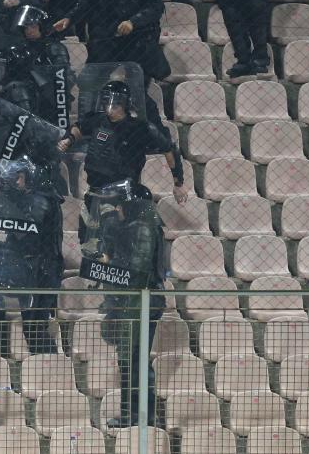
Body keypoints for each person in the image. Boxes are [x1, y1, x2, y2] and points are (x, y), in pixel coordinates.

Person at [58, 80, 188, 245]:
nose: (109, 105)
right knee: (89, 240)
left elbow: (169, 149)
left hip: (125, 193)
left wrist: (178, 183)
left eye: (113, 101)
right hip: (96, 191)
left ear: (124, 104)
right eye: (106, 100)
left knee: (121, 237)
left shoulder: (139, 128)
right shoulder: (98, 120)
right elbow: (78, 127)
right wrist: (68, 139)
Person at [0, 156, 63, 355]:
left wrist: (3, 209)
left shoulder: (40, 200)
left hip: (42, 271)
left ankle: (50, 365)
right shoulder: (27, 199)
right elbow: (19, 240)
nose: (16, 183)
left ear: (30, 178)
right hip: (25, 266)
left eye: (19, 178)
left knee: (33, 327)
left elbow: (28, 235)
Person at [91, 184, 165, 428]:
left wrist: (110, 265)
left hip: (140, 303)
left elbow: (138, 270)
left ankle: (141, 415)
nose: (117, 211)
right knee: (130, 360)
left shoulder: (143, 230)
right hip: (133, 302)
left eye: (121, 206)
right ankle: (134, 414)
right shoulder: (138, 228)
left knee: (134, 360)